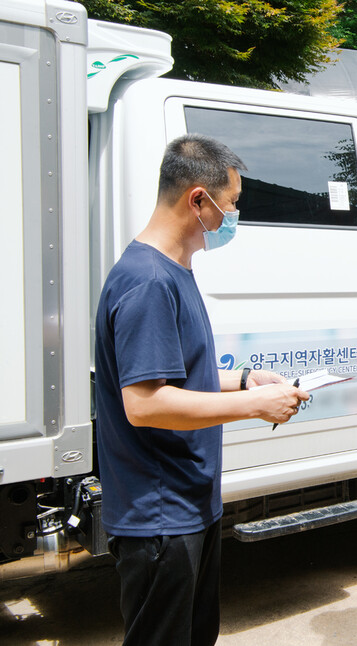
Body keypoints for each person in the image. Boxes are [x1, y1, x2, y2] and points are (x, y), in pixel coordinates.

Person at [94, 134, 309, 646]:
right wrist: (252, 405)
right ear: (198, 199)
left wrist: (243, 379)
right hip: (160, 515)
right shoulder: (148, 281)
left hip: (189, 502)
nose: (231, 217)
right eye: (230, 204)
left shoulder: (175, 269)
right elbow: (145, 404)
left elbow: (176, 375)